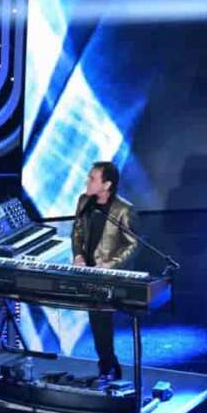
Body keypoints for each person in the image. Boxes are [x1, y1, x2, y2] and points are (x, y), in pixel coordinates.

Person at [71, 162, 138, 382]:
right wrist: (78, 255)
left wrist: (111, 264)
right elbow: (77, 232)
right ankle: (109, 364)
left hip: (109, 275)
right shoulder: (84, 201)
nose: (87, 182)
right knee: (95, 321)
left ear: (107, 185)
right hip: (88, 271)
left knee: (101, 321)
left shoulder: (123, 209)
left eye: (92, 179)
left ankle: (108, 367)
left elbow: (133, 244)